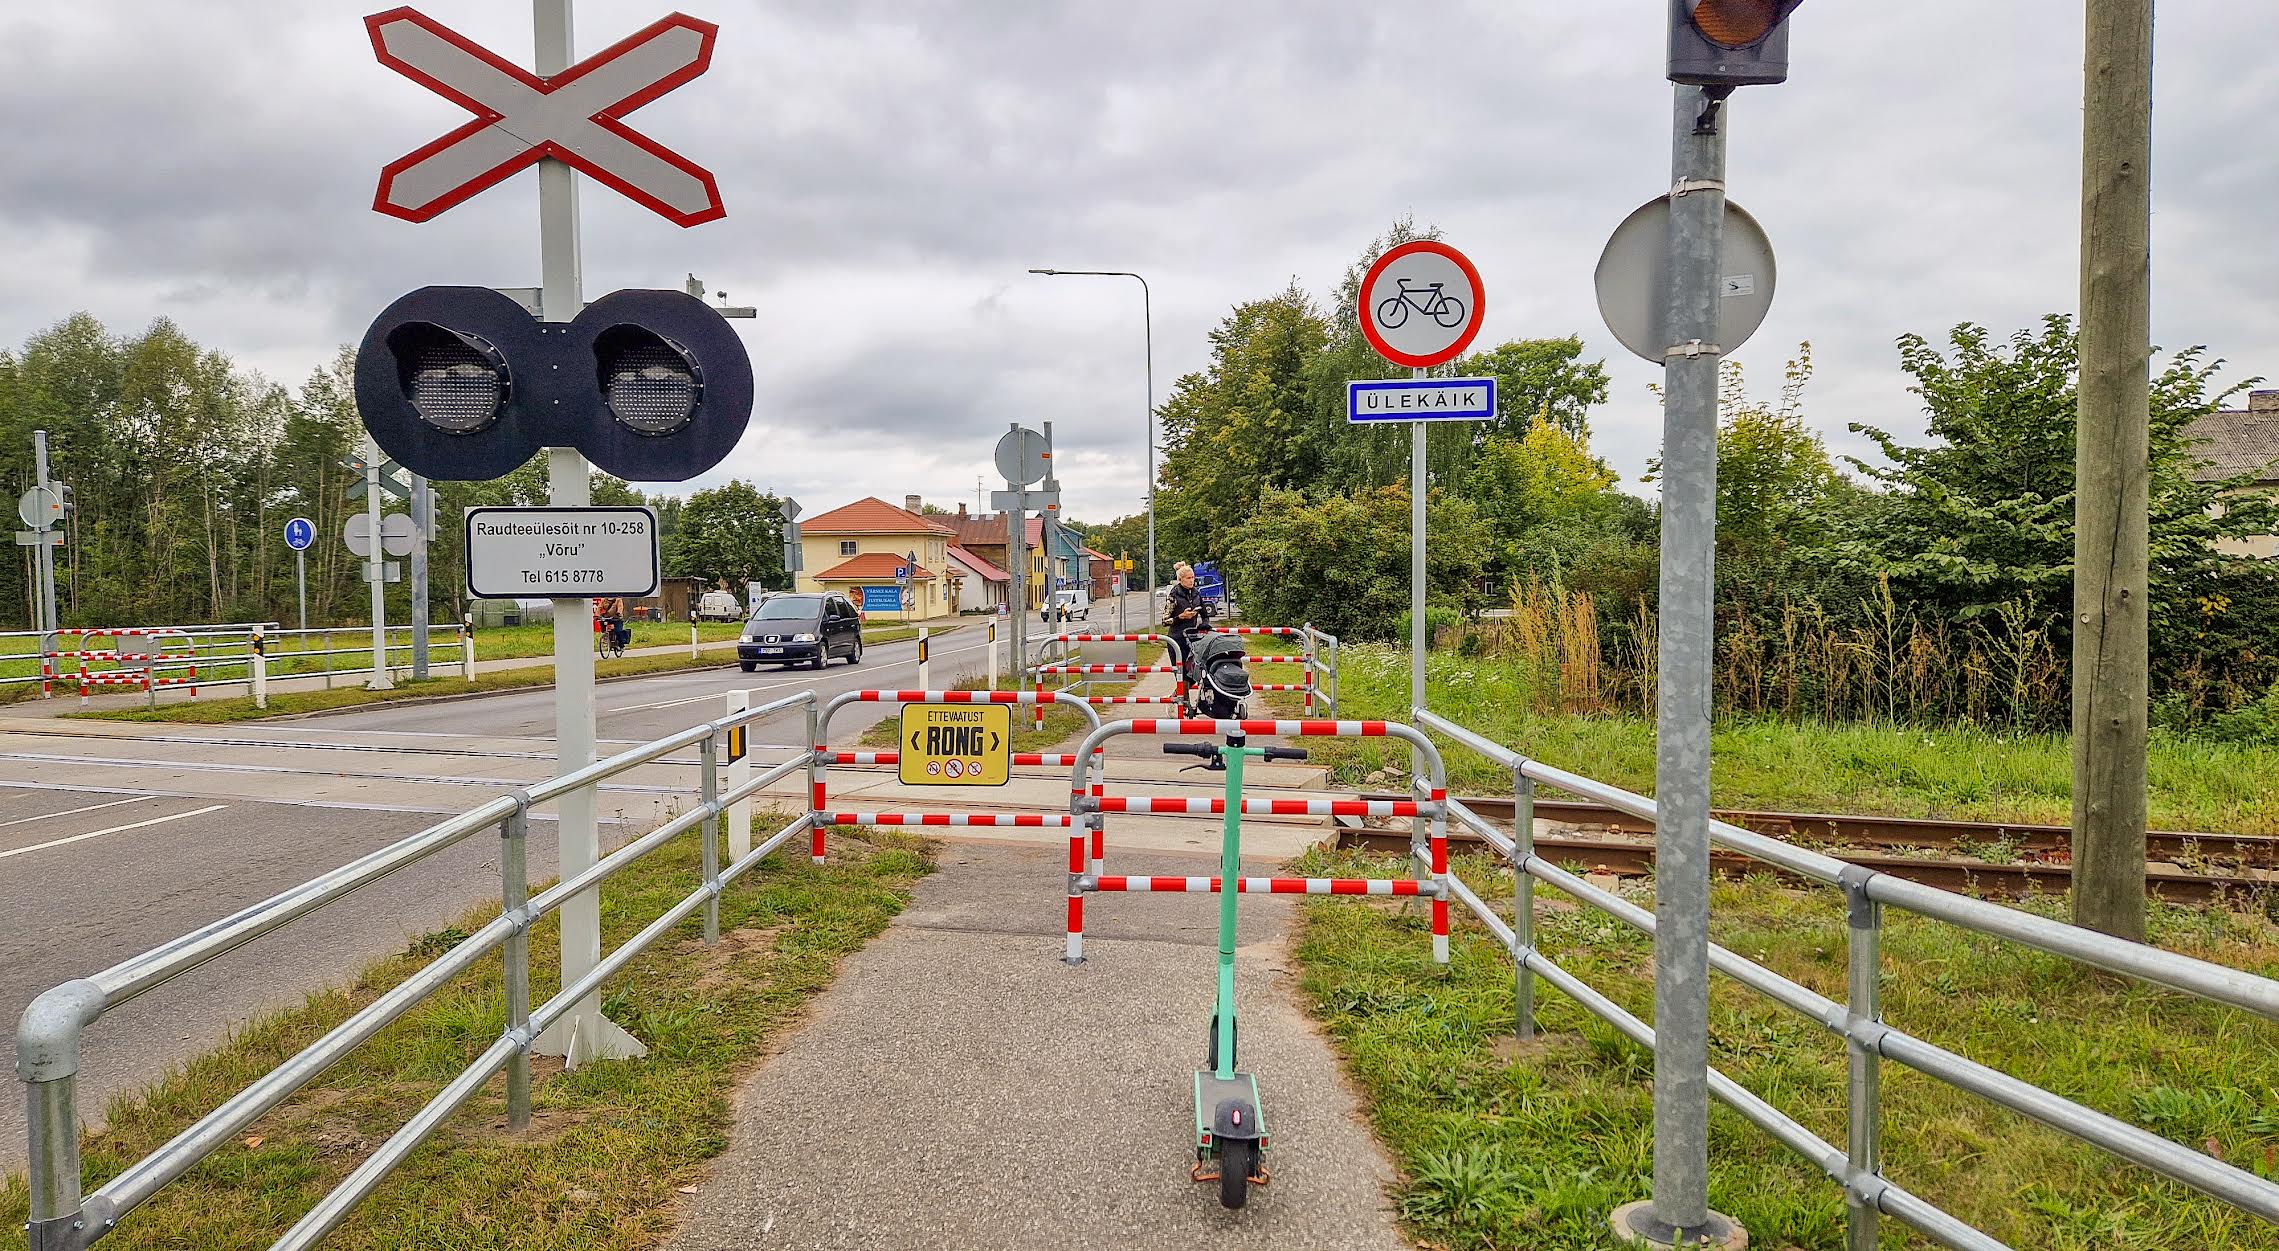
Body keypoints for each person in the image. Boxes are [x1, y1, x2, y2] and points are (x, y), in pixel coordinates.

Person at [1163, 562, 1210, 703]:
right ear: (1181, 580)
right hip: (1176, 639)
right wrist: (1180, 617)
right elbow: (1165, 620)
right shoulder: (1174, 595)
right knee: (1181, 675)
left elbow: (1205, 615)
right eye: (1188, 578)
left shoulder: (1196, 593)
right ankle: (1184, 705)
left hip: (1192, 638)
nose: (1191, 581)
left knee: (1195, 674)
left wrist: (1205, 625)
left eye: (1193, 578)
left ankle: (1177, 697)